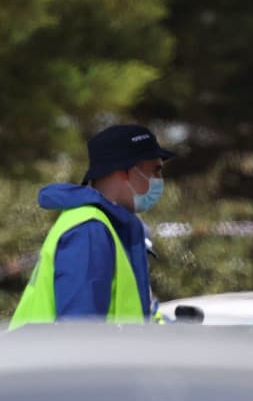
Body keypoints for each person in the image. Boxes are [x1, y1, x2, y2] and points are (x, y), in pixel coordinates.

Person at [9, 124, 175, 329]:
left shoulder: (113, 227)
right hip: (49, 351)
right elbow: (79, 332)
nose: (159, 180)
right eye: (155, 170)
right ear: (125, 172)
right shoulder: (89, 231)